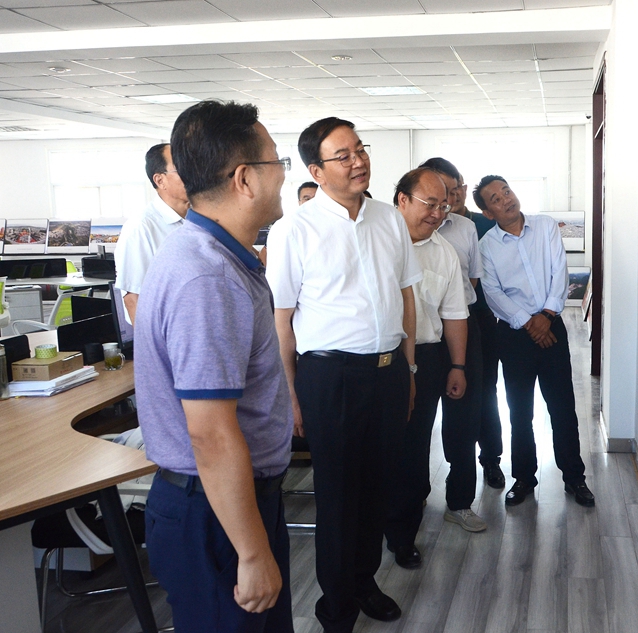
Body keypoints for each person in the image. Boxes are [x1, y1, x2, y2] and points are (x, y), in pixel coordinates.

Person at [135, 100, 293, 632]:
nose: (283, 175)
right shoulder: (208, 278)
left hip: (228, 502)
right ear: (245, 179)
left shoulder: (212, 255)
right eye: (277, 163)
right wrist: (252, 552)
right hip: (216, 515)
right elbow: (210, 433)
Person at [266, 116, 420, 632]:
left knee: (378, 487)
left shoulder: (388, 218)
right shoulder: (294, 230)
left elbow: (406, 296)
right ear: (316, 170)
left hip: (387, 371)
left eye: (360, 149)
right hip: (329, 378)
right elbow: (282, 319)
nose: (359, 161)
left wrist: (409, 367)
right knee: (337, 496)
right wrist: (291, 394)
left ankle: (364, 581)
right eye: (344, 155)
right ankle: (336, 608)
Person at [474, 175, 595, 508]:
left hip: (552, 327)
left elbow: (560, 272)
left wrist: (546, 315)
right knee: (520, 411)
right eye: (496, 199)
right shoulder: (486, 247)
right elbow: (493, 294)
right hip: (514, 337)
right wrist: (529, 323)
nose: (506, 199)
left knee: (562, 408)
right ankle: (524, 478)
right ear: (488, 213)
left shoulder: (545, 226)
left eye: (507, 191)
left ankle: (574, 477)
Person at [386, 167, 483, 570]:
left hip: (426, 358)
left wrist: (457, 365)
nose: (438, 213)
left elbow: (455, 313)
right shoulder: (375, 239)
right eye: (430, 204)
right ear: (402, 200)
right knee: (373, 451)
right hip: (374, 358)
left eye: (444, 205)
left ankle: (402, 537)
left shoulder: (443, 251)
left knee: (413, 449)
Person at [440, 166, 506, 489]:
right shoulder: (424, 225)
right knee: (450, 398)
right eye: (444, 191)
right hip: (432, 324)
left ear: (464, 190)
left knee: (484, 393)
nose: (451, 196)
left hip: (478, 318)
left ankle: (491, 458)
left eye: (456, 190)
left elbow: (481, 278)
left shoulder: (483, 224)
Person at [114, 142, 189, 324]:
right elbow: (134, 299)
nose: (193, 173)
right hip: (169, 335)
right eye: (182, 167)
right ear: (160, 180)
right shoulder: (141, 227)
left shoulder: (201, 219)